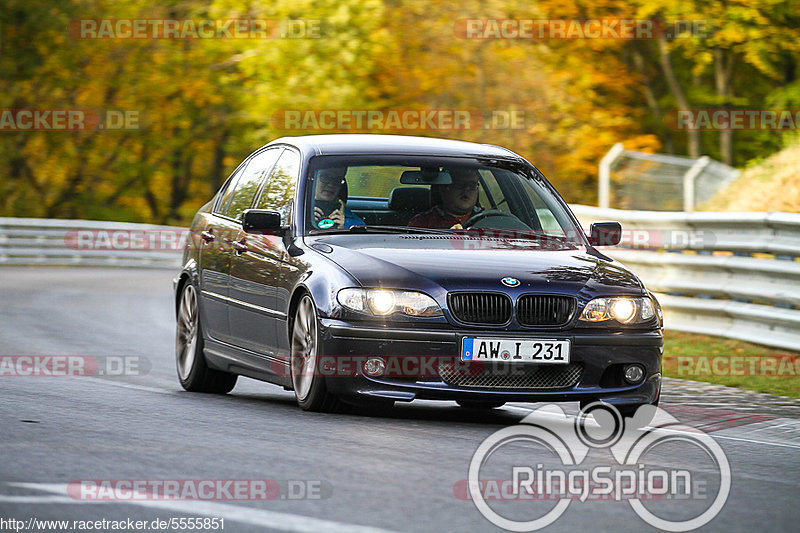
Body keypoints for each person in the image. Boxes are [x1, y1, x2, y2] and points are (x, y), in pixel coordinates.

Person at [408, 168, 483, 229]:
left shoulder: (488, 218)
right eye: (459, 184)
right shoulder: (423, 222)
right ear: (443, 189)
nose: (467, 189)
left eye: (472, 185)